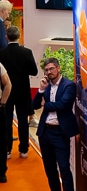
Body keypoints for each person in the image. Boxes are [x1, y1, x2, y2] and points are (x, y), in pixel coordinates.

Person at [33, 57, 70, 191]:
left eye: (51, 69)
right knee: (50, 170)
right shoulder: (46, 86)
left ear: (58, 68)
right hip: (45, 133)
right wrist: (41, 90)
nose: (49, 72)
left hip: (60, 133)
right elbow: (34, 105)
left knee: (64, 169)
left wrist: (46, 105)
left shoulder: (68, 85)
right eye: (46, 70)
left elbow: (63, 105)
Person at [0, 26, 36, 160]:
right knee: (23, 119)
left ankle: (7, 150)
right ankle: (23, 149)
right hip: (23, 91)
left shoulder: (1, 53)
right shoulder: (27, 52)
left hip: (6, 91)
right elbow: (34, 71)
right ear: (19, 36)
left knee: (7, 120)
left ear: (6, 37)